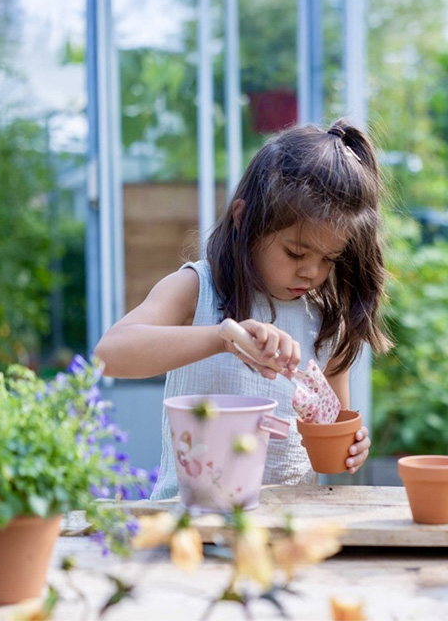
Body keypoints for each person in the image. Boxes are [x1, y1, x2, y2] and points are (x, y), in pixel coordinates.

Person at [95, 119, 392, 500]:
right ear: (243, 219)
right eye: (296, 253)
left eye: (329, 258)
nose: (311, 271)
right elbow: (108, 355)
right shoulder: (197, 290)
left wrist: (350, 446)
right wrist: (222, 338)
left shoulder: (324, 323)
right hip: (191, 520)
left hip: (286, 528)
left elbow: (328, 432)